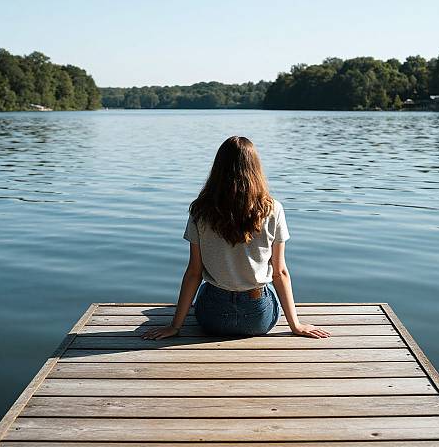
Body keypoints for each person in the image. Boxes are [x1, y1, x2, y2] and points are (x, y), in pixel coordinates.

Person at [141, 136, 331, 340]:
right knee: (267, 289)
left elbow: (194, 273)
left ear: (218, 168)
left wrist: (175, 326)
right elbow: (280, 273)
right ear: (255, 168)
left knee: (205, 287)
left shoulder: (201, 210)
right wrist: (296, 325)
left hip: (213, 318)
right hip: (258, 318)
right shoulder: (272, 209)